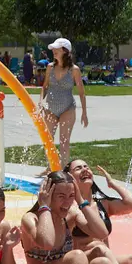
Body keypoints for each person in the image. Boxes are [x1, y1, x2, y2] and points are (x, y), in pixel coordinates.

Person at [38, 38, 88, 175]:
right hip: (50, 108)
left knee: (64, 142)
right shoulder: (50, 67)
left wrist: (84, 112)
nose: (53, 51)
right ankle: (50, 168)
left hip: (68, 108)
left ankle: (63, 172)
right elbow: (45, 86)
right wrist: (41, 102)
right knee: (48, 141)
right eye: (53, 49)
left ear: (65, 51)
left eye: (56, 49)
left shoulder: (74, 70)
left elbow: (82, 92)